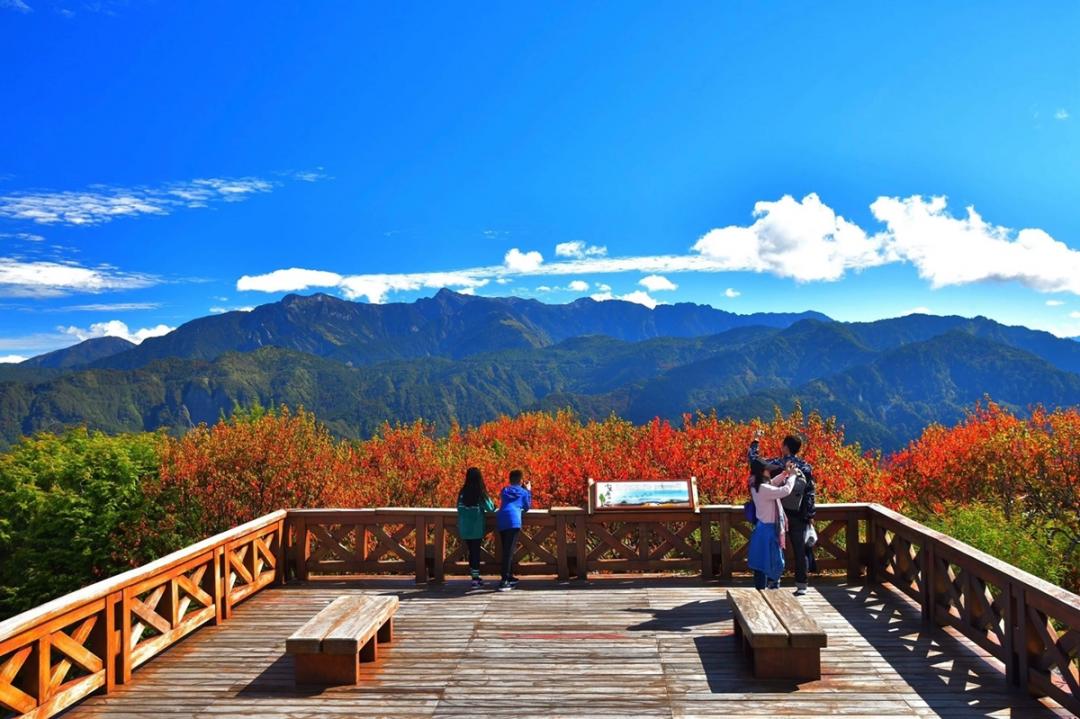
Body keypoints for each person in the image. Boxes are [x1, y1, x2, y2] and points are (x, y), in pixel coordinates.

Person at [749, 430, 816, 595]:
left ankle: (774, 581)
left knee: (776, 548)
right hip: (799, 514)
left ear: (785, 447)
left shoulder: (778, 463)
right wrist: (810, 515)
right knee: (799, 549)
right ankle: (802, 584)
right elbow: (810, 492)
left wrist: (756, 440)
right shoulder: (805, 466)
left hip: (779, 514)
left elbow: (754, 459)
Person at [747, 459, 798, 589]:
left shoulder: (755, 484)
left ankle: (761, 592)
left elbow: (773, 483)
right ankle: (772, 590)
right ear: (761, 472)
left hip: (761, 530)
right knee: (774, 562)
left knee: (761, 563)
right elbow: (784, 491)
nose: (769, 471)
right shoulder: (763, 488)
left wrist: (785, 474)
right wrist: (792, 476)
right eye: (767, 469)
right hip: (769, 531)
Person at [456, 467, 496, 588]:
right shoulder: (480, 492)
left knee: (471, 552)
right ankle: (475, 578)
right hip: (476, 528)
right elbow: (490, 507)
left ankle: (474, 576)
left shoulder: (462, 492)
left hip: (464, 527)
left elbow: (458, 508)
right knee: (475, 552)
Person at [495, 468, 532, 592]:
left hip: (501, 519)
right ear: (521, 480)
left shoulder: (505, 490)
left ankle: (509, 576)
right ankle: (504, 580)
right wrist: (528, 490)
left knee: (506, 549)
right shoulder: (523, 492)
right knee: (508, 552)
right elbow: (527, 507)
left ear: (509, 480)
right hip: (513, 520)